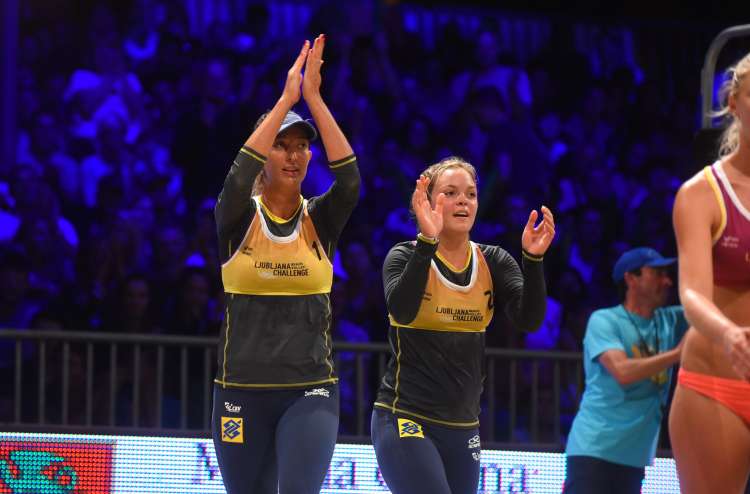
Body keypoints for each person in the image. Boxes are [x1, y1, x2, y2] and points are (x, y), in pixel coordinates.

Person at [211, 36, 360, 494]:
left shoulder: (321, 217)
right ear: (264, 155)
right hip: (239, 389)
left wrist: (313, 98)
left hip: (309, 390)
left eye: (300, 146)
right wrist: (285, 100)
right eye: (282, 146)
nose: (294, 155)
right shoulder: (237, 216)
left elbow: (350, 178)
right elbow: (238, 176)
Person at [371, 157, 554, 494]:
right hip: (404, 417)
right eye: (451, 193)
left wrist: (533, 259)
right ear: (427, 201)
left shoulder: (494, 260)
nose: (463, 201)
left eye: (470, 194)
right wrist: (428, 241)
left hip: (463, 426)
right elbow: (404, 310)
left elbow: (530, 321)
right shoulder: (402, 256)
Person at [669, 52, 750, 494]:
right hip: (715, 383)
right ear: (735, 103)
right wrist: (729, 335)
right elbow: (693, 294)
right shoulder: (701, 193)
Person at [564, 247, 688, 493]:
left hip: (634, 458)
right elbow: (622, 371)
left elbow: (715, 309)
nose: (668, 281)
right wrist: (676, 355)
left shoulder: (670, 320)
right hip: (595, 452)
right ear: (631, 279)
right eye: (658, 274)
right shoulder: (605, 320)